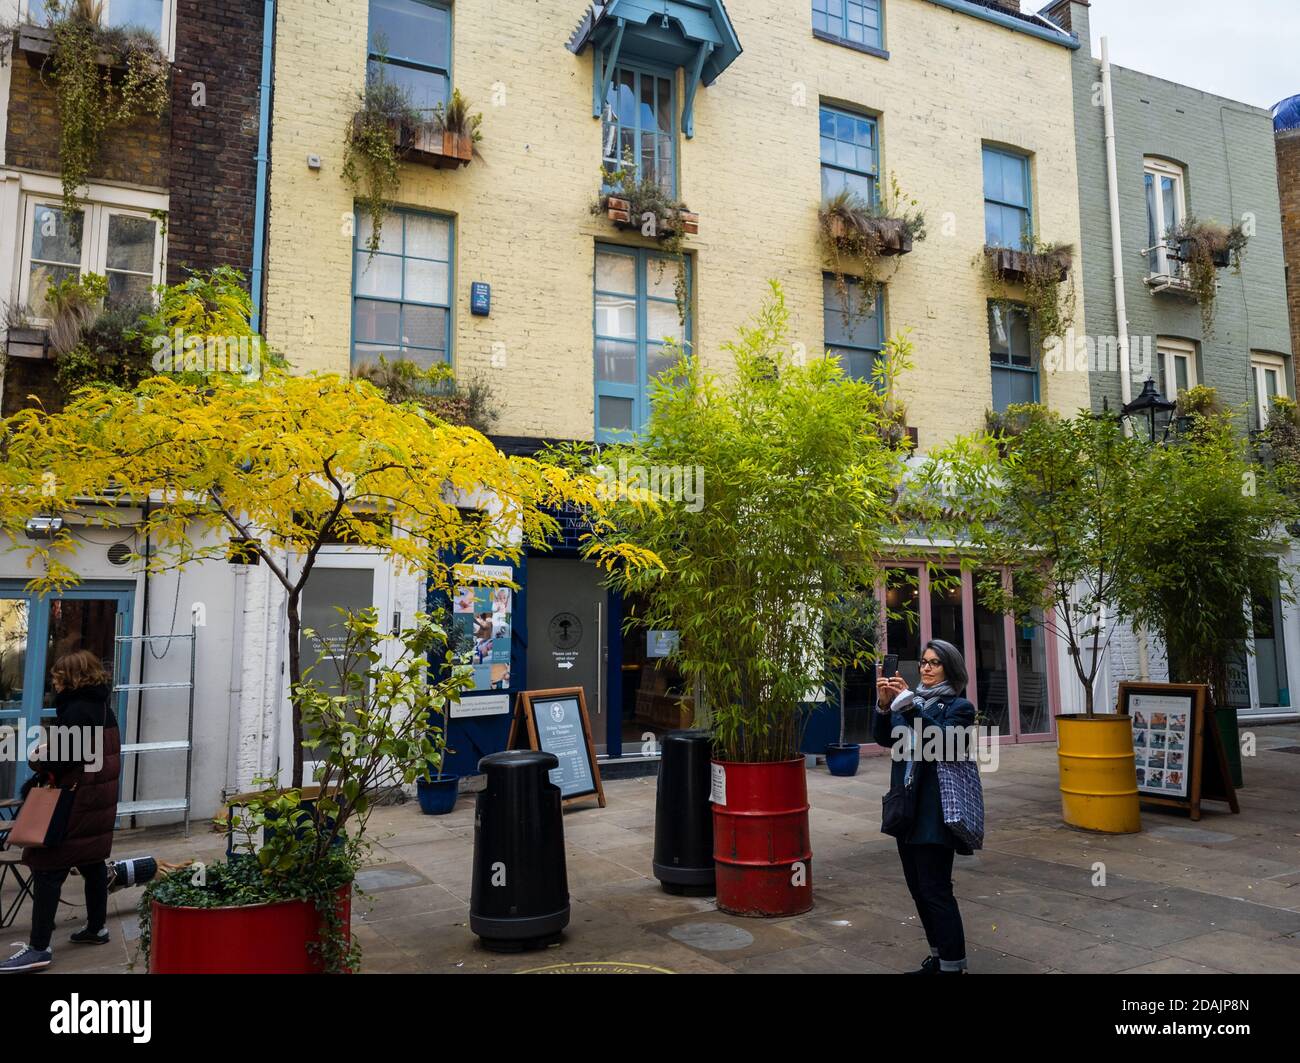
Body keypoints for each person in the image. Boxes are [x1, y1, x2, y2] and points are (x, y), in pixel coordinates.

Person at [2, 650, 121, 973]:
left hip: (74, 800)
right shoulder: (101, 707)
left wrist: (38, 758)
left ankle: (39, 947)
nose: (53, 680)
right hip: (96, 799)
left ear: (72, 677)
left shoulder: (78, 710)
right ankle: (96, 928)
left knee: (47, 867)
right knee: (92, 861)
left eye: (57, 675)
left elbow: (64, 760)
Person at [874, 639, 979, 975]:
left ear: (950, 669)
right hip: (907, 807)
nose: (926, 668)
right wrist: (884, 705)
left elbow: (943, 744)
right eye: (923, 662)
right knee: (918, 889)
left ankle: (953, 967)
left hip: (936, 810)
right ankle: (938, 958)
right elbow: (885, 739)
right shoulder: (912, 702)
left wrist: (907, 706)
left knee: (935, 890)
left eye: (935, 663)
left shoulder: (959, 707)